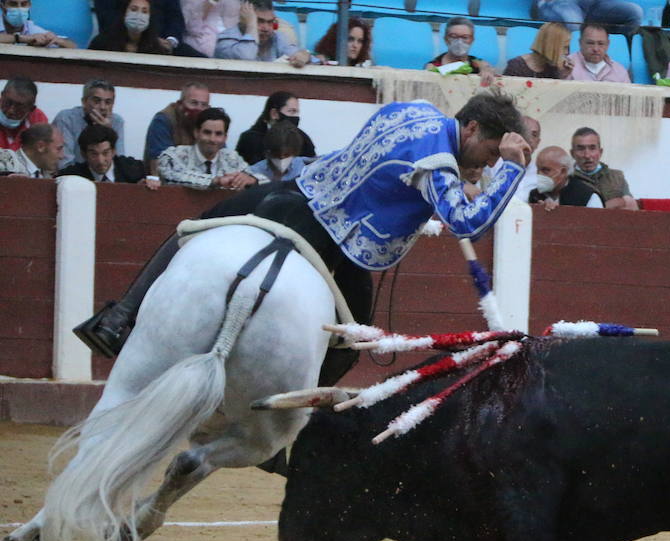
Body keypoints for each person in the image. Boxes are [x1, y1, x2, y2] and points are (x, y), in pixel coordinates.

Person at [75, 92, 533, 359]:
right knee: (352, 338)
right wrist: (511, 169)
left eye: (496, 161)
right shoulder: (437, 162)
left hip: (296, 194)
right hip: (335, 240)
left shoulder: (415, 110)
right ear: (470, 129)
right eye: (490, 152)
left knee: (195, 228)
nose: (488, 163)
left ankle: (118, 318)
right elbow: (467, 223)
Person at [156, 107, 257, 190]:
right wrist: (216, 181)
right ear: (196, 133)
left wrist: (252, 180)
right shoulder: (174, 156)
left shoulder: (232, 158)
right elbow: (171, 175)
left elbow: (265, 180)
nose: (212, 139)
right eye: (207, 132)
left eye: (218, 134)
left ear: (225, 138)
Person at [214, 0, 311, 67]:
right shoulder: (225, 39)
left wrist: (304, 56)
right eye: (259, 21)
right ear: (244, 19)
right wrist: (251, 25)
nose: (266, 28)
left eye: (270, 22)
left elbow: (297, 54)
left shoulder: (277, 37)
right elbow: (246, 57)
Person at [52, 79, 124, 167]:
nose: (103, 107)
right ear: (84, 102)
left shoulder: (117, 122)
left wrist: (108, 132)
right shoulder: (66, 118)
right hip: (73, 176)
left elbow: (120, 162)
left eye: (108, 102)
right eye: (97, 101)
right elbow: (64, 163)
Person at [236, 91, 316, 165]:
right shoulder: (251, 139)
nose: (296, 117)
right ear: (274, 114)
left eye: (297, 112)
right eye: (291, 111)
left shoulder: (303, 139)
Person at [143, 81, 210, 170]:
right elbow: (160, 161)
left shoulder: (210, 121)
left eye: (204, 105)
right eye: (194, 103)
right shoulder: (164, 120)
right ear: (180, 104)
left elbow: (221, 156)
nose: (199, 109)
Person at [56, 123, 150, 184]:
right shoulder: (72, 176)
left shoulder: (134, 169)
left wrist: (149, 183)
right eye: (94, 154)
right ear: (84, 155)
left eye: (105, 153)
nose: (100, 161)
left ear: (113, 151)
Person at [570, 126, 637, 208]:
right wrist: (614, 203)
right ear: (572, 153)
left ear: (600, 152)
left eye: (592, 148)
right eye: (580, 149)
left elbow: (631, 207)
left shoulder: (617, 177)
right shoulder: (566, 180)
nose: (587, 155)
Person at [87, 0, 172, 55]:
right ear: (124, 14)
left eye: (144, 11)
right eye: (134, 9)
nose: (138, 15)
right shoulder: (101, 43)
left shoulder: (157, 49)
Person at [0, 0, 73, 47]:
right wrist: (21, 39)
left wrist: (57, 40)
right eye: (13, 4)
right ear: (2, 6)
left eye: (24, 4)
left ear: (29, 5)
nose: (19, 8)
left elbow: (72, 46)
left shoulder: (31, 28)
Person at [529, 145, 603, 209]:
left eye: (546, 170)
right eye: (538, 169)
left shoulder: (587, 197)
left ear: (563, 172)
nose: (539, 174)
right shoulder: (534, 196)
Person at [246, 122, 312, 184]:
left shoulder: (306, 167)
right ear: (268, 153)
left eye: (287, 155)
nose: (281, 159)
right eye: (276, 155)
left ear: (295, 153)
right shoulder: (253, 172)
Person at [504, 21, 574, 79]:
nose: (567, 52)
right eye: (564, 47)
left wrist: (563, 75)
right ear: (551, 46)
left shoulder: (554, 68)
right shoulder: (516, 66)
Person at [426, 16, 493, 75]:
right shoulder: (433, 66)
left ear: (472, 40)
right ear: (446, 39)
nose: (459, 42)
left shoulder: (478, 63)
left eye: (465, 37)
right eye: (453, 36)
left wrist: (487, 70)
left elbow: (488, 68)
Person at [0, 75, 45, 150]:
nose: (11, 111)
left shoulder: (38, 121)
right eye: (7, 103)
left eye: (19, 107)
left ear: (31, 109)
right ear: (1, 96)